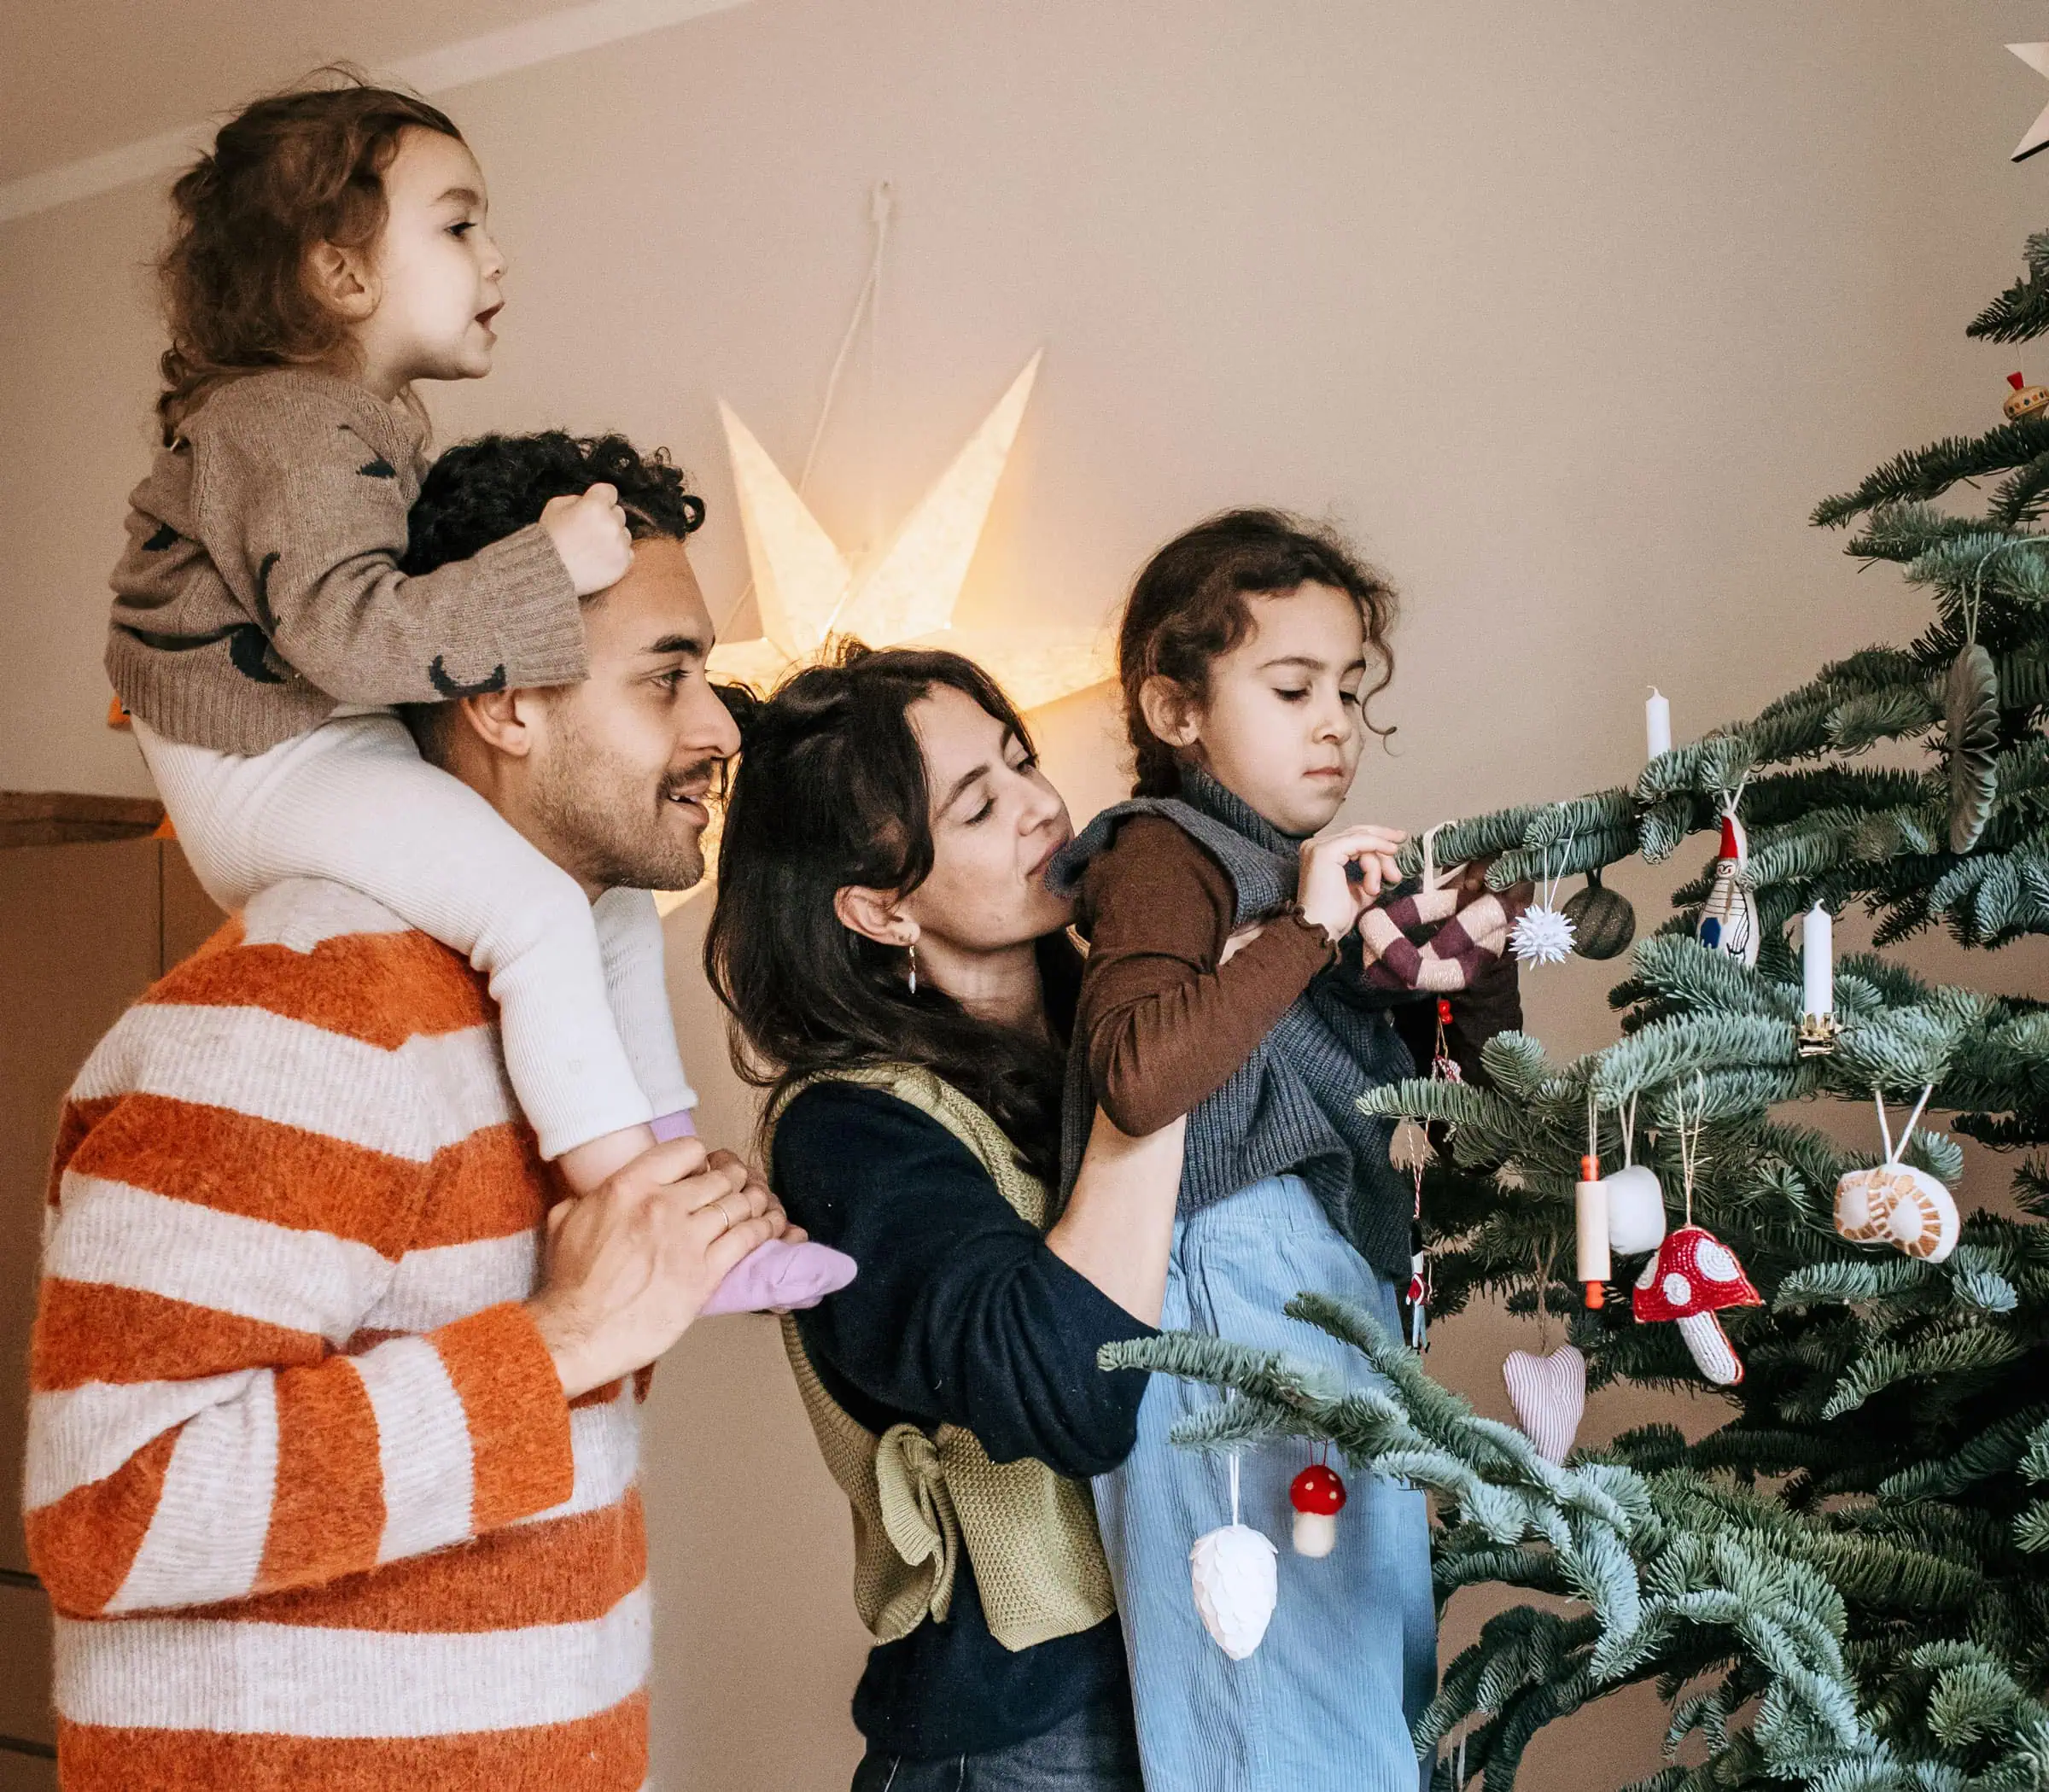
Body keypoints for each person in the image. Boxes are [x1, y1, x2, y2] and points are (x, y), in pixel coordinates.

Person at [27, 430, 793, 1789]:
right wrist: (558, 1341)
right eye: (667, 675)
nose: (720, 724)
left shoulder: (548, 1022)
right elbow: (109, 1513)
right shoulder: (307, 1006)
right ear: (504, 698)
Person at [102, 75, 848, 1313]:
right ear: (341, 273)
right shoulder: (284, 423)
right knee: (538, 915)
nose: (495, 255)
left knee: (594, 911)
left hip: (320, 743)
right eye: (457, 225)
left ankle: (664, 1165)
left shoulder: (349, 417)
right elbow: (349, 636)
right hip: (271, 769)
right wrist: (547, 568)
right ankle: (642, 1209)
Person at [1050, 511, 1521, 1792]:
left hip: (1325, 1295)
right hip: (1223, 1292)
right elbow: (1137, 1076)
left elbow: (1466, 1146)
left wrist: (1469, 983)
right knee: (1277, 1715)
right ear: (1176, 706)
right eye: (1293, 686)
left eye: (1354, 690)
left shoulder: (1305, 875)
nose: (1337, 724)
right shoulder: (1165, 852)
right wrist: (1304, 933)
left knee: (1365, 1700)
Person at [706, 645, 1191, 1792]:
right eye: (980, 804)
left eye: (1023, 762)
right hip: (1033, 1730)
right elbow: (1070, 1385)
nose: (1043, 807)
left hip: (1211, 1659)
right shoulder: (846, 1134)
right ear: (880, 905)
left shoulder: (1092, 1026)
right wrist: (1165, 1069)